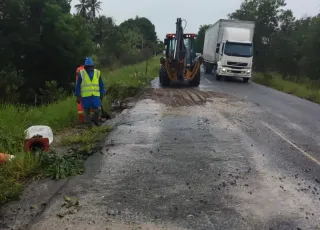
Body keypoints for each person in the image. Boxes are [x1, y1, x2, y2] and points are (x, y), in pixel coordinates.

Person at [75, 57, 105, 127]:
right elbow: (78, 86)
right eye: (88, 67)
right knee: (86, 111)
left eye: (91, 67)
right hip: (86, 96)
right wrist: (78, 96)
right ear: (85, 67)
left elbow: (101, 84)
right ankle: (89, 125)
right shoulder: (81, 73)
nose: (89, 68)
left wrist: (102, 93)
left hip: (95, 95)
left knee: (97, 109)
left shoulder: (97, 73)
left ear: (93, 66)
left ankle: (95, 120)